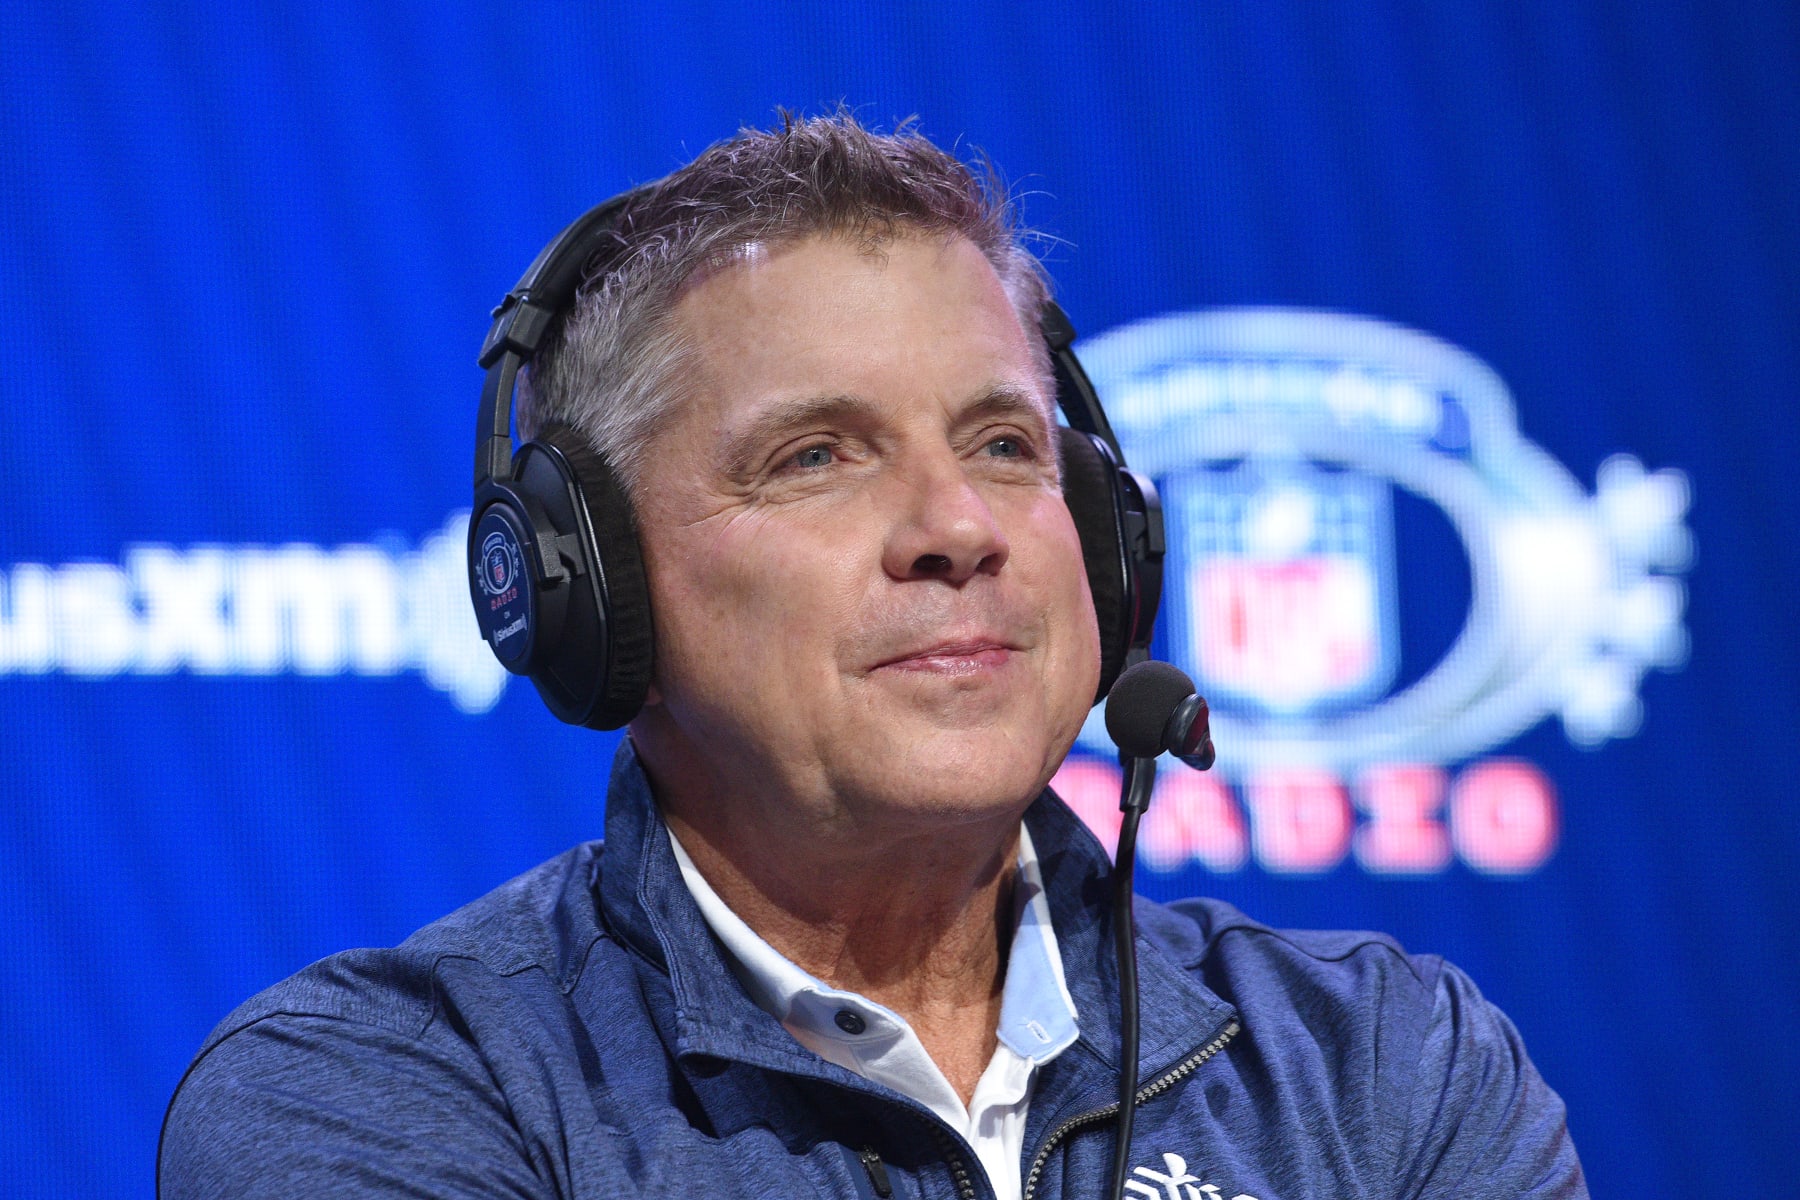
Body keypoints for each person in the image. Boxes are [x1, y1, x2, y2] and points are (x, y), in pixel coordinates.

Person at [159, 112, 1587, 1200]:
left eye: (1005, 444)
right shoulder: (384, 1095)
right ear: (587, 590)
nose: (958, 527)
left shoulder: (1379, 1065)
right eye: (816, 456)